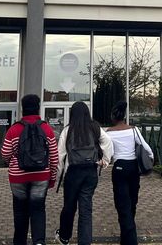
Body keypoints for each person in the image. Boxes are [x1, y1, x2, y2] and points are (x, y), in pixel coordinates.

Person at [1, 94, 59, 245]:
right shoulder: (46, 128)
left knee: (20, 211)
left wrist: (12, 163)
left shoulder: (14, 129)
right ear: (38, 108)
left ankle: (19, 242)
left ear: (22, 109)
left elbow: (5, 153)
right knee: (38, 210)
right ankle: (39, 242)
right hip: (41, 176)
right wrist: (52, 178)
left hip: (18, 177)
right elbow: (54, 157)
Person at [55, 101, 113, 245]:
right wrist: (104, 161)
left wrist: (58, 178)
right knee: (86, 210)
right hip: (90, 172)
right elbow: (108, 142)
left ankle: (64, 237)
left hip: (73, 173)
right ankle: (85, 242)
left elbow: (60, 156)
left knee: (69, 207)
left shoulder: (67, 130)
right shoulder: (95, 128)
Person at [106, 101, 153, 245]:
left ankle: (130, 239)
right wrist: (151, 160)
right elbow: (147, 148)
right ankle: (126, 237)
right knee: (132, 202)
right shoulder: (134, 130)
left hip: (119, 168)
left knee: (122, 205)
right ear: (124, 116)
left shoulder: (109, 133)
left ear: (114, 117)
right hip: (133, 168)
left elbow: (107, 152)